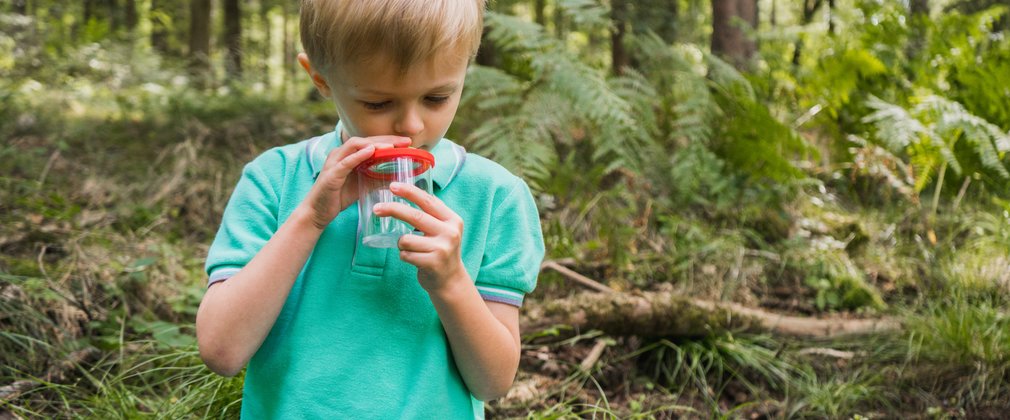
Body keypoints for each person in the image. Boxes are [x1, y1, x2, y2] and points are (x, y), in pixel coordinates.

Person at [195, 0, 545, 418]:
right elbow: (222, 351)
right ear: (321, 80)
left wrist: (451, 282)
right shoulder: (274, 179)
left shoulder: (495, 197)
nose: (411, 126)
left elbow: (493, 382)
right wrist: (310, 218)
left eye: (437, 97)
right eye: (378, 104)